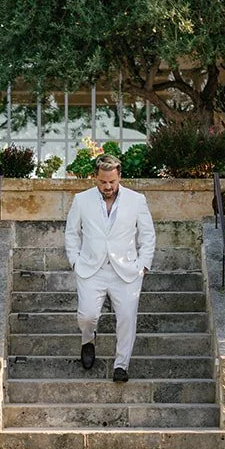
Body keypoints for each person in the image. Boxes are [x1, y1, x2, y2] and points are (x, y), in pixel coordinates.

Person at [64, 153, 156, 382]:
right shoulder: (81, 200)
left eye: (112, 182)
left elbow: (147, 234)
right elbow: (71, 233)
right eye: (103, 182)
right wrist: (75, 261)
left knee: (126, 318)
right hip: (90, 268)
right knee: (87, 316)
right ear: (95, 178)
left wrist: (143, 265)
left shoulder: (137, 200)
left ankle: (121, 365)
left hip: (126, 271)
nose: (108, 186)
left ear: (119, 177)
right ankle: (88, 340)